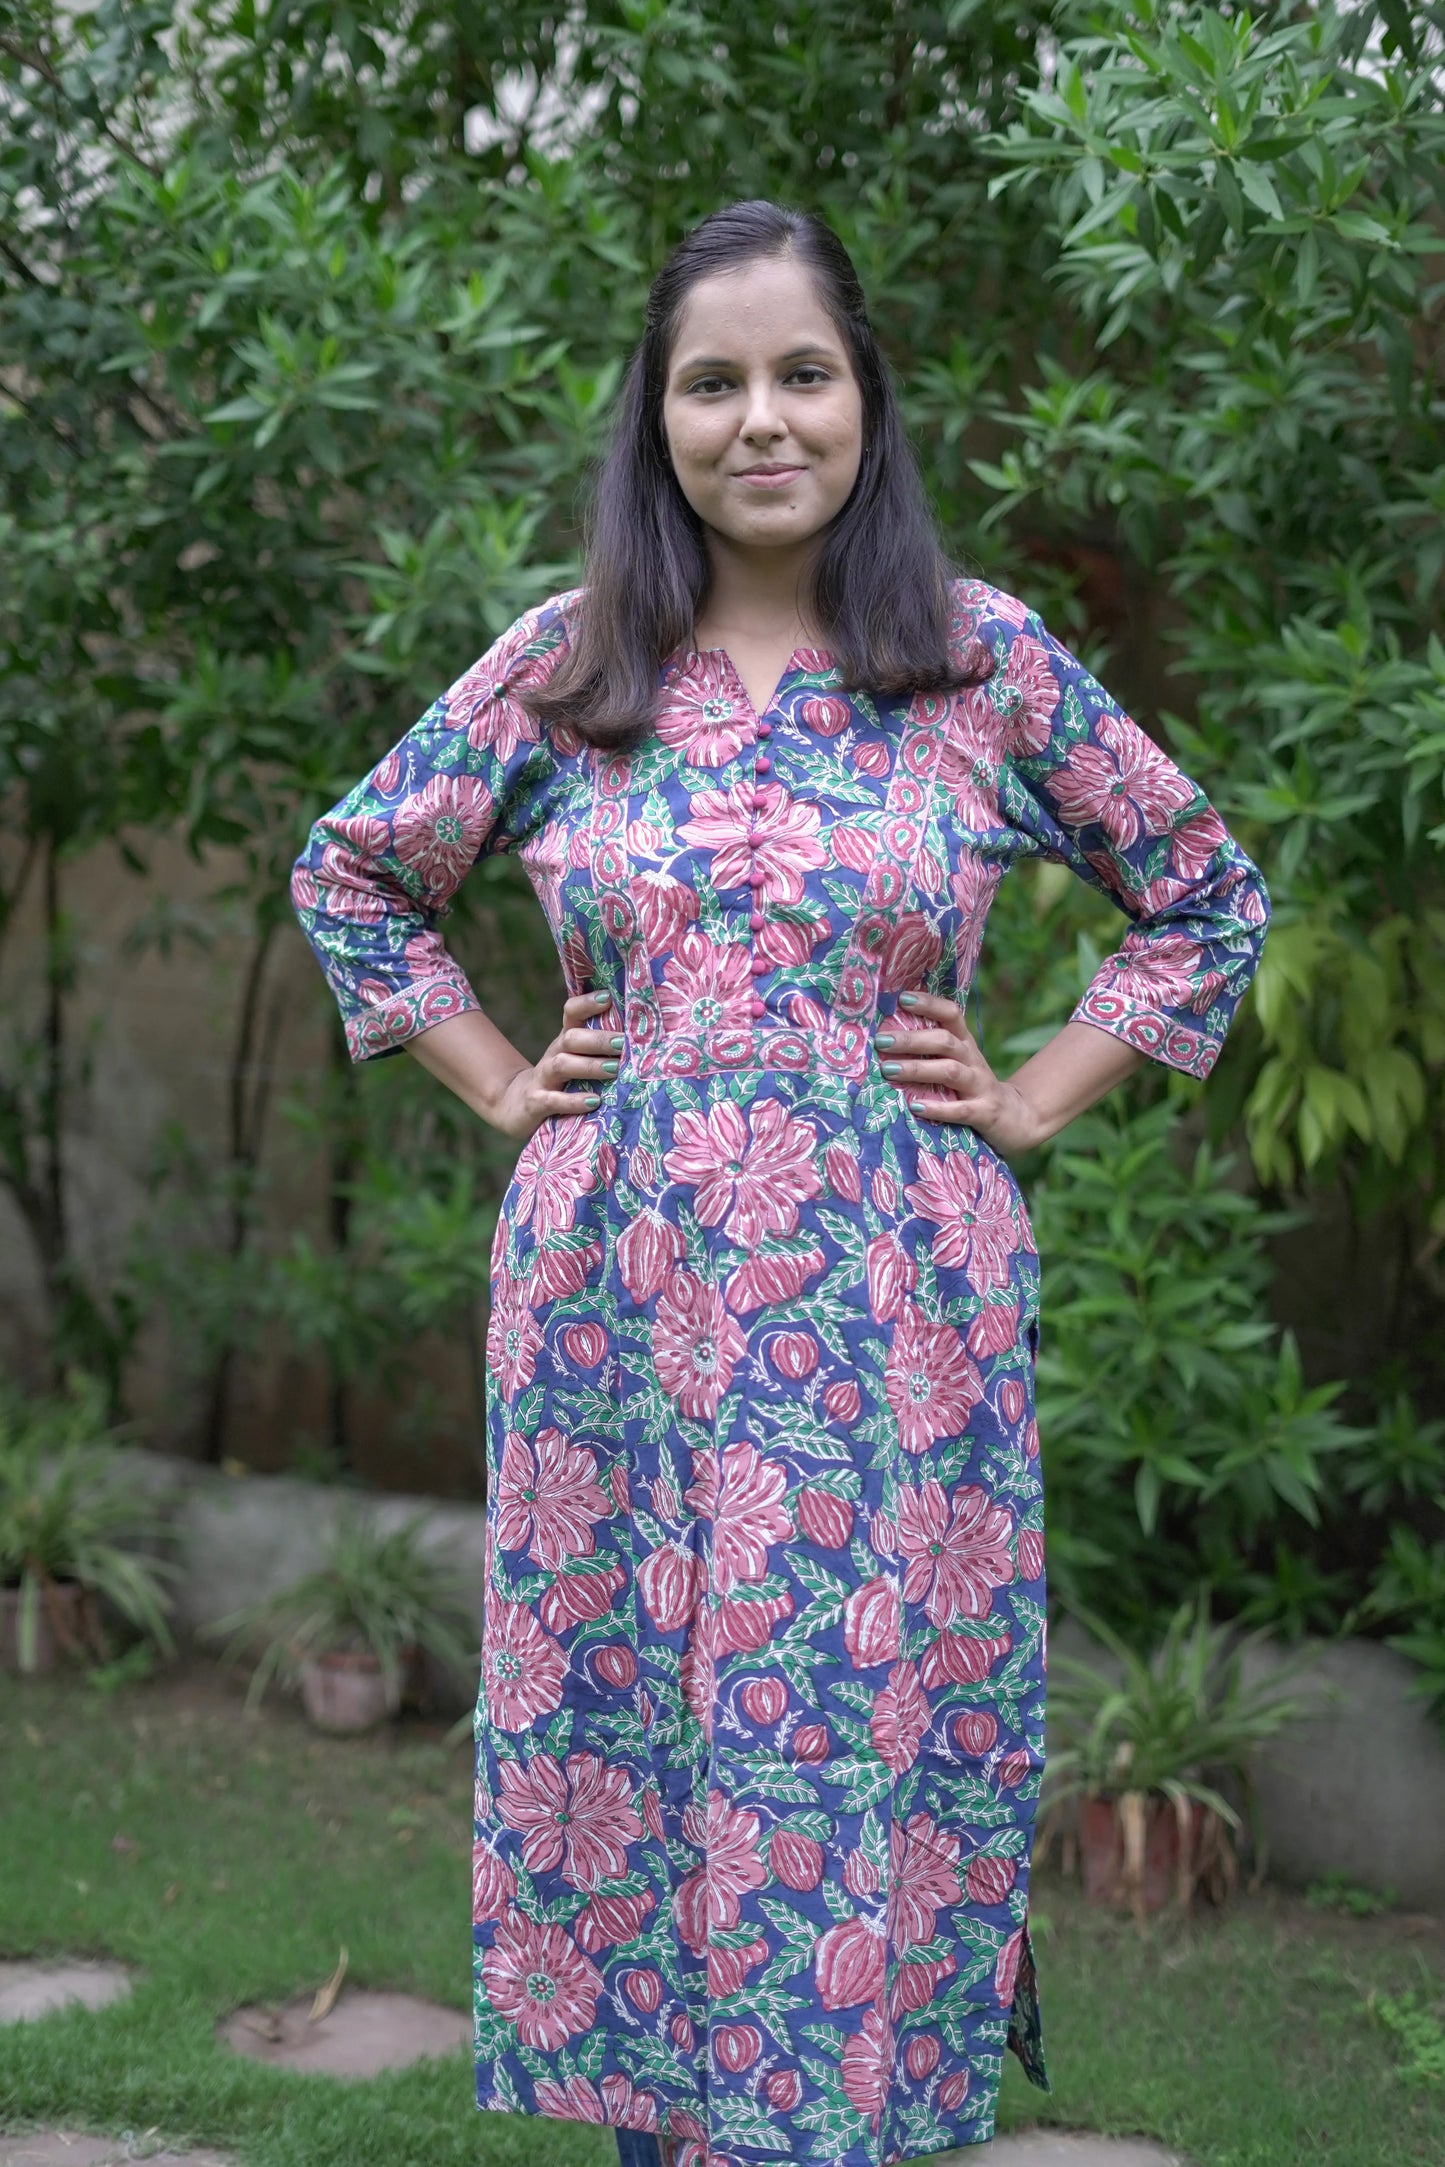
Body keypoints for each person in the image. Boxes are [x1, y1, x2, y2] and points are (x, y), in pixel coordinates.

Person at [291, 200, 1268, 2166]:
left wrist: (1033, 1097)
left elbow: (1202, 898)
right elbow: (355, 872)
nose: (761, 419)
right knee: (646, 1743)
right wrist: (496, 1078)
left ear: (864, 401)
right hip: (617, 1309)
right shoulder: (574, 668)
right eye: (712, 381)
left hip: (896, 1302)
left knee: (852, 1741)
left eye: (801, 374)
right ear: (656, 419)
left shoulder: (979, 664)